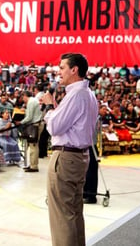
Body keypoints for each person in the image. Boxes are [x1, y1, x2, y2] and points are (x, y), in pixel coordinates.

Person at [41, 53, 98, 246]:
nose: (59, 71)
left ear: (74, 70)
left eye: (62, 67)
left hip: (66, 158)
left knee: (62, 217)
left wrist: (50, 108)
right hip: (79, 157)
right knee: (73, 213)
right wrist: (55, 107)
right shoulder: (87, 94)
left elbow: (56, 127)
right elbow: (70, 123)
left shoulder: (76, 94)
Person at [17, 91, 42, 172]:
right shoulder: (34, 100)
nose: (22, 99)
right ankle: (32, 164)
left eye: (22, 97)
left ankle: (34, 166)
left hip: (34, 125)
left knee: (33, 146)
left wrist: (20, 122)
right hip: (35, 124)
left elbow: (29, 117)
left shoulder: (31, 102)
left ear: (24, 96)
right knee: (33, 146)